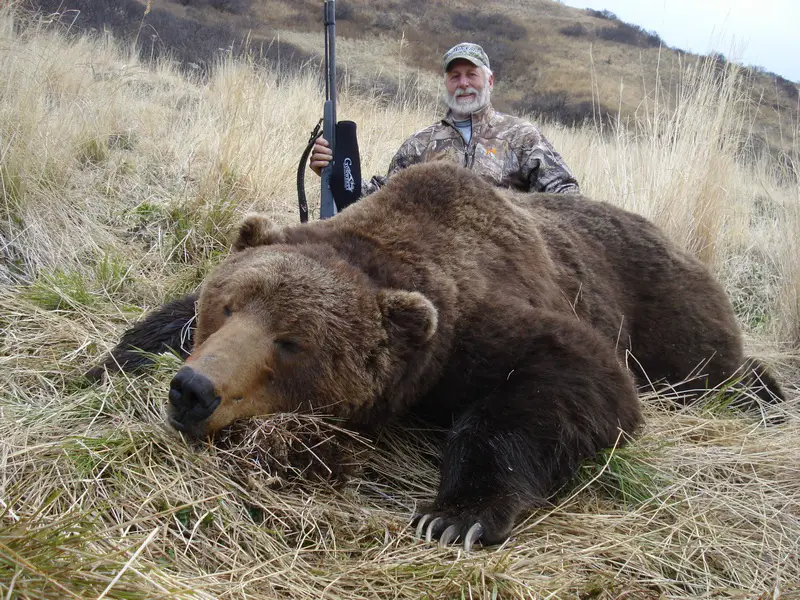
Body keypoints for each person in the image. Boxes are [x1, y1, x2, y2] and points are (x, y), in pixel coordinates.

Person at [309, 42, 580, 197]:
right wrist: (332, 170)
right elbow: (377, 200)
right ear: (446, 83)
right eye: (454, 76)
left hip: (504, 265)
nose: (463, 83)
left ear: (490, 80)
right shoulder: (419, 144)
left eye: (471, 74)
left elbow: (566, 196)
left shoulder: (522, 136)